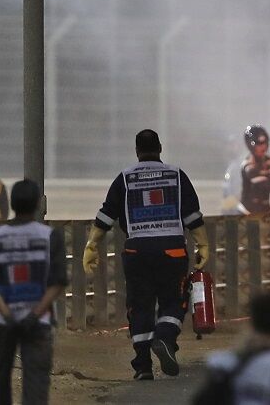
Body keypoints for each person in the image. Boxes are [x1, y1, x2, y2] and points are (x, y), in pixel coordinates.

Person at [82, 129, 209, 380]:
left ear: (137, 151)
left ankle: (142, 367)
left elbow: (106, 215)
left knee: (140, 306)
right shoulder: (176, 175)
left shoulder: (125, 178)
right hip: (171, 249)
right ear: (160, 148)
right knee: (174, 300)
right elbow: (192, 215)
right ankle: (164, 338)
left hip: (136, 251)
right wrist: (203, 245)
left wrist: (91, 246)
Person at [0, 179, 67, 405]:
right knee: (36, 381)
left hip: (2, 321)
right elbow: (57, 282)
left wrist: (8, 315)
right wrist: (34, 315)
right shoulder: (49, 236)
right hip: (38, 322)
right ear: (38, 204)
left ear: (13, 204)